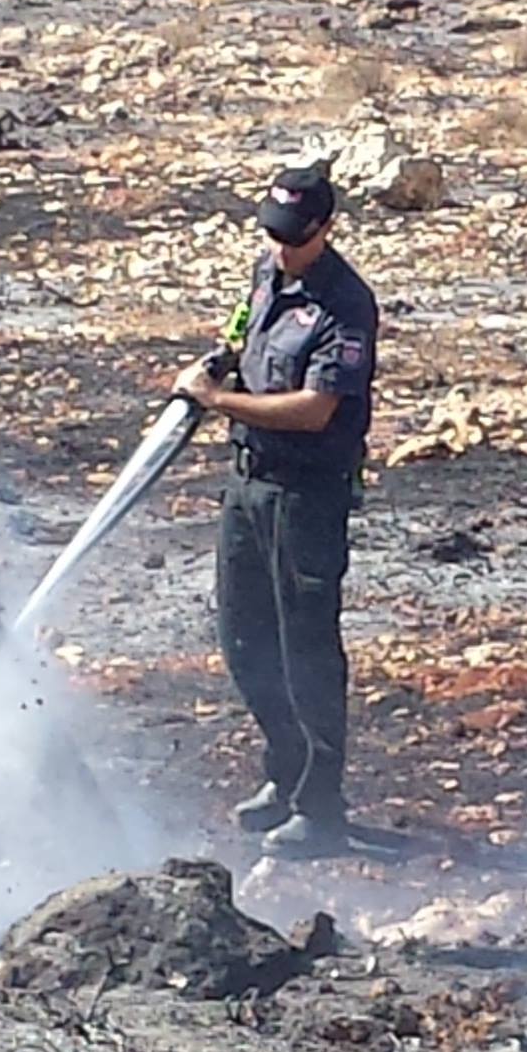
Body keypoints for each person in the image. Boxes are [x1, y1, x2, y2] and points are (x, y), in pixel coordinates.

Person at [172, 166, 378, 857]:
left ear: (326, 229)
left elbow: (315, 409)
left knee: (307, 651)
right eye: (274, 235)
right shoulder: (267, 273)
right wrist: (217, 369)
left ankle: (321, 810)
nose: (282, 249)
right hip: (249, 482)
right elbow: (240, 334)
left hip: (307, 494)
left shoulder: (346, 306)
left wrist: (218, 404)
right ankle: (283, 770)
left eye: (295, 239)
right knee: (243, 639)